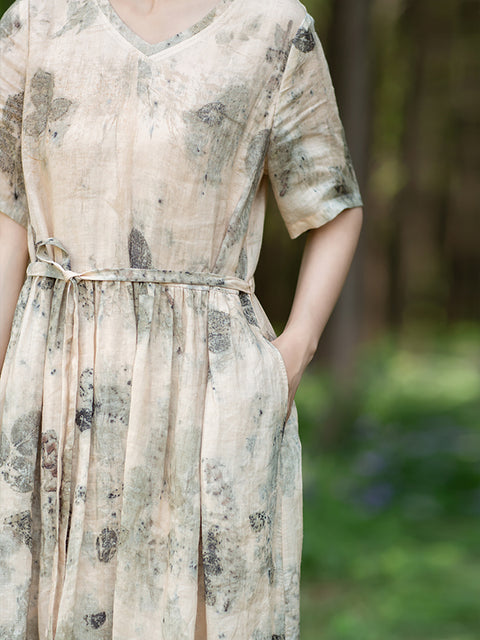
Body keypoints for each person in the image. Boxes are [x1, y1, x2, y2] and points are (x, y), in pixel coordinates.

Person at [0, 0, 364, 637]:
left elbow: (332, 204)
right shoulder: (37, 21)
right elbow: (7, 212)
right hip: (51, 382)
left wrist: (290, 356)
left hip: (208, 386)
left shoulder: (272, 28)